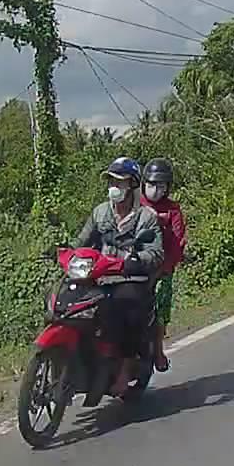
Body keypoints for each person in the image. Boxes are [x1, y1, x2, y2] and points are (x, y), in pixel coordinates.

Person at [75, 157, 165, 396]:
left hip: (131, 279)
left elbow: (156, 253)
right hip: (100, 276)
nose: (113, 187)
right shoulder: (100, 212)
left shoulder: (146, 217)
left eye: (120, 182)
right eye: (111, 181)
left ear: (132, 184)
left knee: (122, 308)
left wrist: (137, 260)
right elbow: (82, 241)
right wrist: (65, 252)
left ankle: (125, 370)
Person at [139, 157, 186, 373]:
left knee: (160, 308)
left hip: (160, 270)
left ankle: (158, 350)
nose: (156, 190)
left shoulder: (173, 210)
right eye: (152, 184)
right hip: (130, 265)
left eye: (161, 186)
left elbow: (177, 243)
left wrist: (164, 268)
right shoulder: (135, 204)